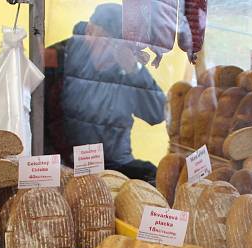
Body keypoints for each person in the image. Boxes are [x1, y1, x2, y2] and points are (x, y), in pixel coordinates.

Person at [44, 3, 166, 183]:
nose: (112, 52)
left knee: (151, 177)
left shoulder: (127, 69)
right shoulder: (60, 56)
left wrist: (135, 70)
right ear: (89, 31)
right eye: (108, 42)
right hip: (68, 166)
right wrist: (57, 166)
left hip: (115, 167)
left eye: (119, 46)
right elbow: (37, 119)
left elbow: (156, 114)